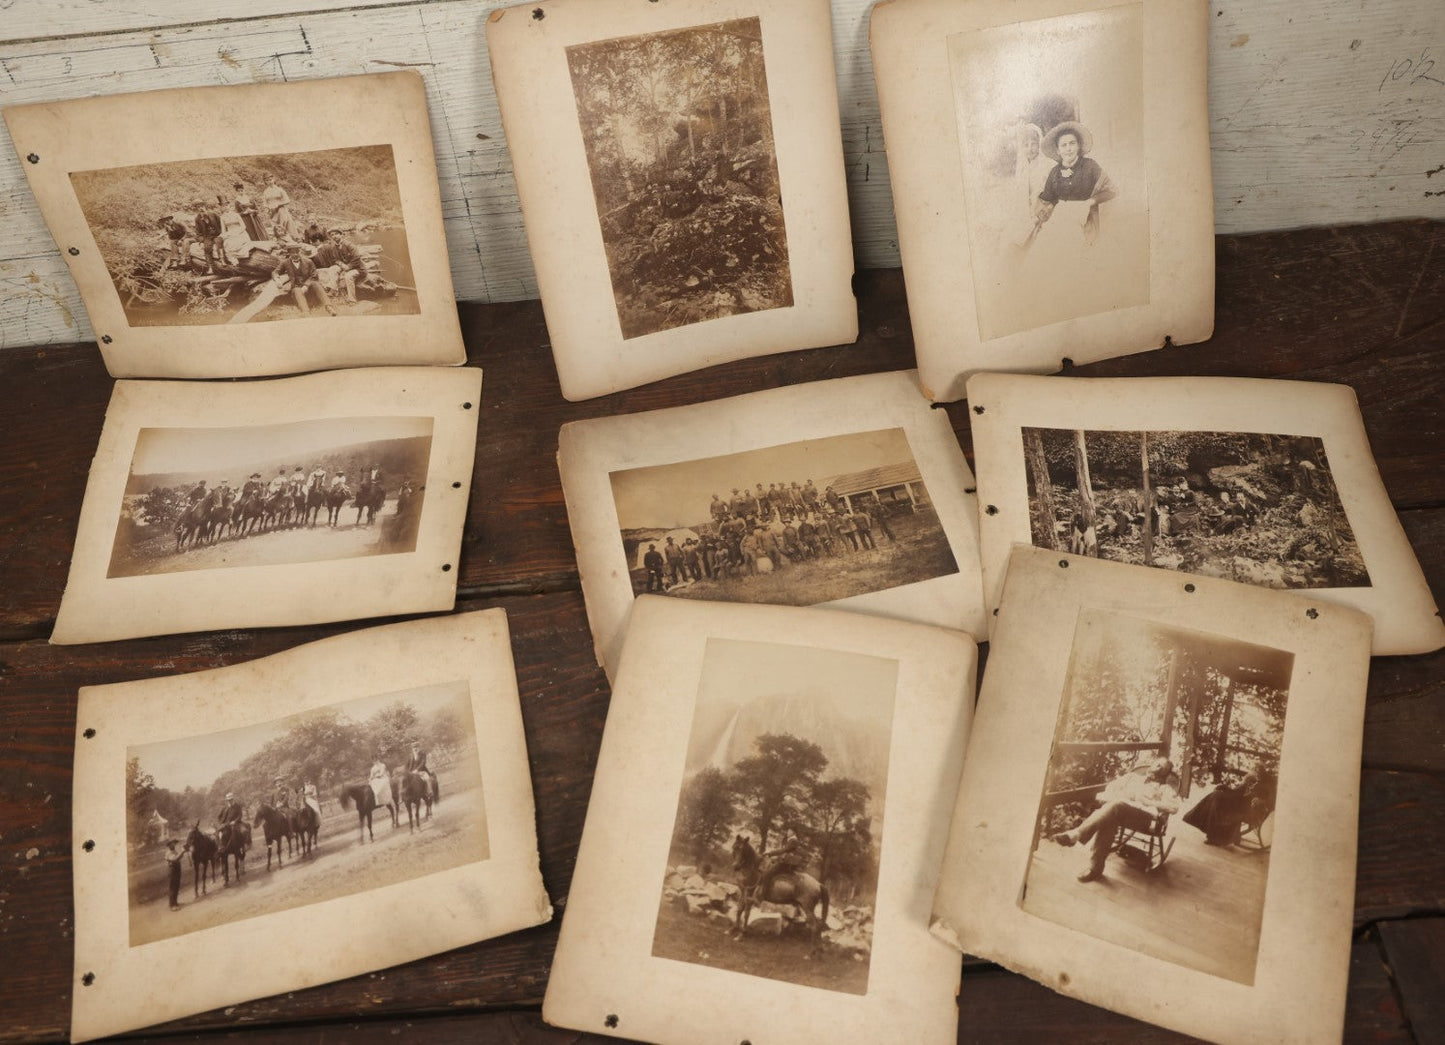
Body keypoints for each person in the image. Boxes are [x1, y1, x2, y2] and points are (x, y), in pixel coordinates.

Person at [1052, 756, 1180, 882]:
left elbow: (1174, 807)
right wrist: (1121, 795)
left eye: (1163, 768)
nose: (1158, 768)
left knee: (1116, 807)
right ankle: (1095, 868)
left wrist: (1149, 802)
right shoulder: (1132, 777)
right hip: (1119, 811)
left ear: (1166, 774)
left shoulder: (1165, 789)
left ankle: (1077, 834)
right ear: (1151, 764)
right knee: (1111, 817)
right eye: (1157, 764)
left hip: (1142, 819)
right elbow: (1111, 787)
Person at [1032, 121, 1118, 247]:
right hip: (1061, 220)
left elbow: (1111, 191)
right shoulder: (1055, 172)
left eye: (1072, 143)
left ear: (1078, 146)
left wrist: (1090, 202)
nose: (1068, 149)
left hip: (1086, 221)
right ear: (1058, 150)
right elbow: (1048, 199)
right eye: (1063, 145)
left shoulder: (1090, 166)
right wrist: (1045, 210)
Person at [274, 244, 336, 316]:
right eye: (293, 252)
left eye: (297, 252)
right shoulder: (285, 263)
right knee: (297, 290)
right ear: (289, 253)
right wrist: (277, 279)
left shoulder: (308, 261)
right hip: (296, 286)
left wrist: (306, 285)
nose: (295, 254)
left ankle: (329, 307)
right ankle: (306, 312)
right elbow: (275, 272)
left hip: (309, 286)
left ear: (300, 252)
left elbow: (314, 276)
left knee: (316, 283)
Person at [313, 228, 366, 305]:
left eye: (336, 234)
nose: (334, 236)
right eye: (332, 235)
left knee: (348, 276)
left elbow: (357, 258)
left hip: (358, 268)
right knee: (332, 269)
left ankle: (352, 300)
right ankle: (333, 289)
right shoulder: (334, 247)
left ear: (341, 235)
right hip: (344, 266)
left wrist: (348, 266)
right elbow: (335, 259)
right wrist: (341, 265)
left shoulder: (349, 245)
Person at [193, 201, 227, 272]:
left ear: (205, 206)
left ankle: (222, 259)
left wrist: (222, 233)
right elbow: (198, 232)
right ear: (197, 209)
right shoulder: (197, 219)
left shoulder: (213, 214)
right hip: (207, 236)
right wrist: (201, 240)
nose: (200, 208)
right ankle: (210, 267)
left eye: (201, 206)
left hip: (217, 234)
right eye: (198, 207)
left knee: (219, 242)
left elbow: (221, 223)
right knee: (207, 248)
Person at [165, 839, 185, 910]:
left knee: (177, 886)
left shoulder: (174, 851)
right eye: (172, 843)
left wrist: (184, 851)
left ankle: (175, 902)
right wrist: (182, 852)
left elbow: (179, 857)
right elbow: (175, 859)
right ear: (169, 845)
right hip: (172, 871)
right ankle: (172, 905)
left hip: (177, 870)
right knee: (172, 887)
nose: (174, 845)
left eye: (174, 843)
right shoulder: (168, 853)